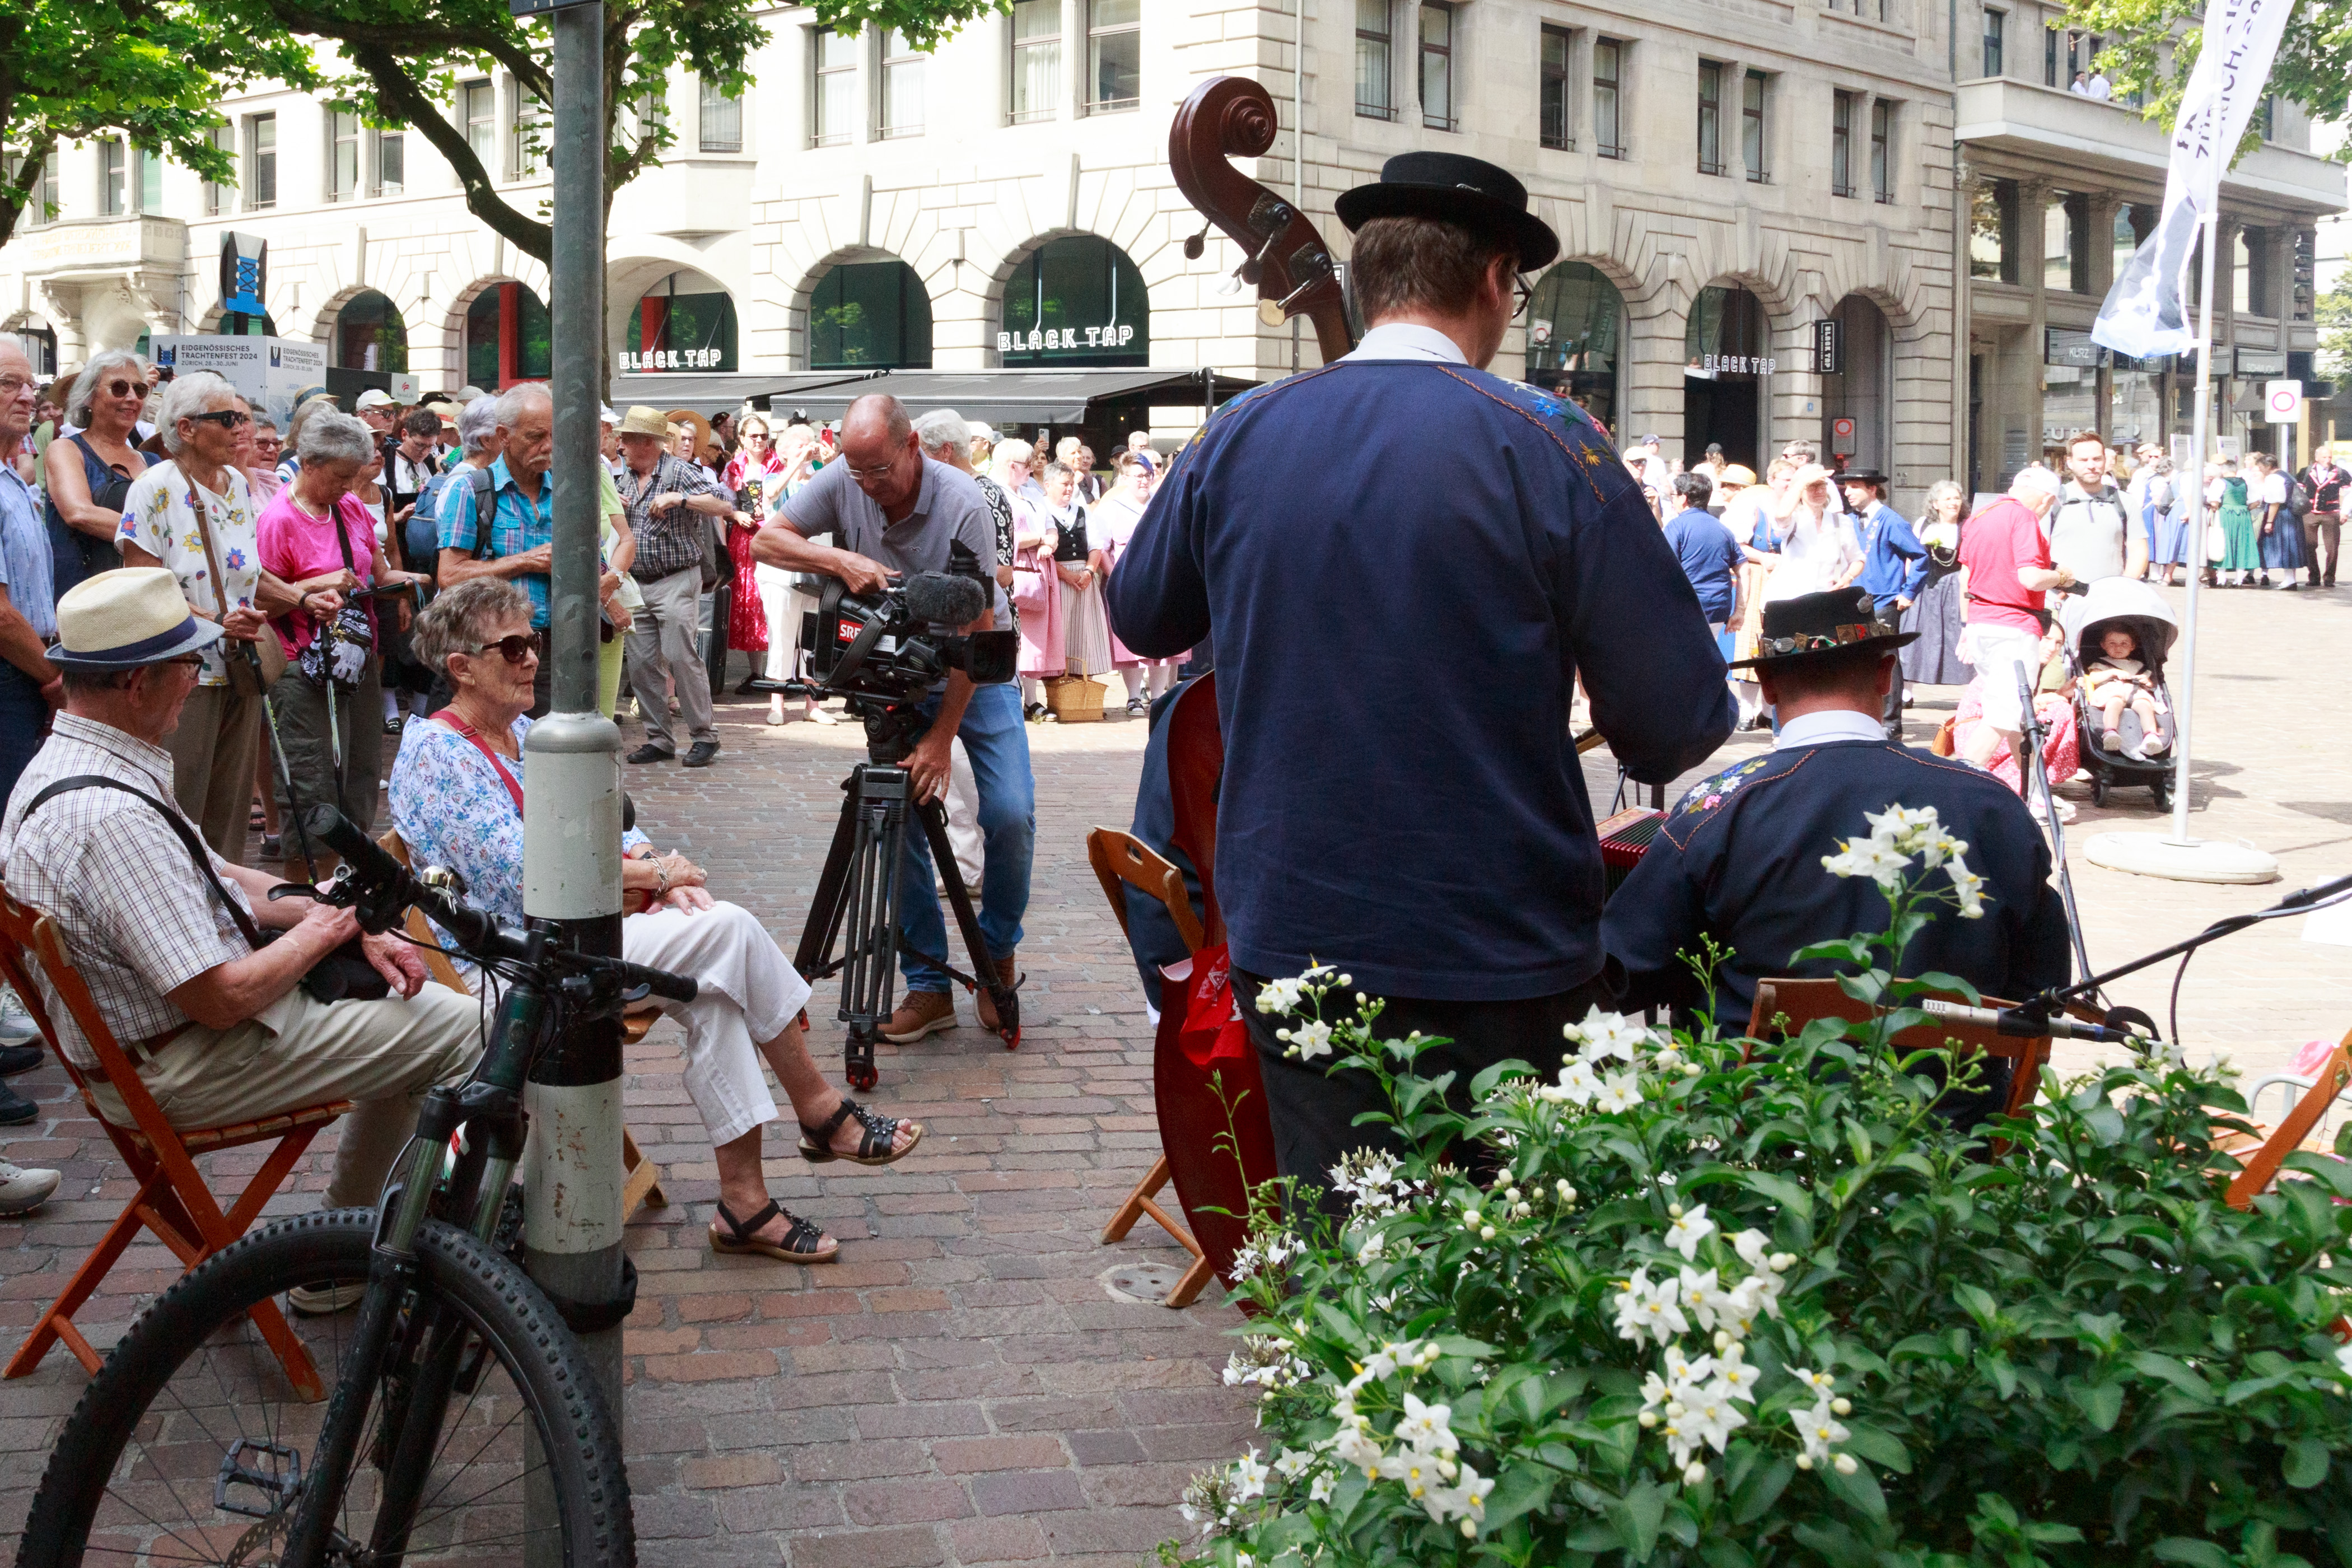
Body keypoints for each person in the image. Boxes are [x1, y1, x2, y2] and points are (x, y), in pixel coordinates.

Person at [1104, 150, 1734, 1205]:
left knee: (1345, 1266)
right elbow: (1674, 722)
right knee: (1515, 1256)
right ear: (1495, 280)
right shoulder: (1551, 442)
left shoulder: (1240, 434)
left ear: (1363, 279)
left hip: (1296, 927)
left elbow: (1141, 614)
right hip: (1500, 935)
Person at [389, 580, 918, 1263]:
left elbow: (603, 817)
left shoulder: (520, 732)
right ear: (460, 667)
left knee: (718, 986)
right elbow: (526, 876)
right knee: (726, 933)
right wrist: (655, 879)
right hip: (515, 964)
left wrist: (648, 862)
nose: (531, 659)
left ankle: (745, 1204)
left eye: (535, 641)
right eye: (514, 646)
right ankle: (820, 1111)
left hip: (572, 939)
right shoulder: (439, 753)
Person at [0, 567, 484, 1299]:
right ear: (138, 682)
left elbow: (218, 870)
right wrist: (331, 930)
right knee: (466, 1026)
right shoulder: (113, 820)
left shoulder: (74, 762)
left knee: (415, 1005)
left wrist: (331, 911)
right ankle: (366, 1255)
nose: (199, 679)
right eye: (189, 665)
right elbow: (221, 1000)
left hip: (149, 1045)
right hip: (180, 1064)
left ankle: (348, 1250)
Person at [1603, 586, 2069, 1123]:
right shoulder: (1991, 803)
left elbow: (1626, 968)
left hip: (1759, 1143)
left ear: (1770, 687)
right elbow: (2040, 994)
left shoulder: (1719, 807)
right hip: (1952, 1141)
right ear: (1885, 675)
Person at [755, 393, 1035, 1041]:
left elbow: (978, 623)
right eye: (857, 472)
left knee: (1009, 814)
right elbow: (770, 537)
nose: (868, 485)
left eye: (880, 469)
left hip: (974, 665)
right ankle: (928, 986)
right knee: (895, 818)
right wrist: (838, 558)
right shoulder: (848, 474)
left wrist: (941, 739)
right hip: (892, 675)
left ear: (912, 447)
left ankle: (997, 951)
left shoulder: (961, 499)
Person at [118, 372, 316, 864]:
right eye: (228, 419)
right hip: (180, 669)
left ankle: (227, 913)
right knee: (181, 799)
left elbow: (243, 573)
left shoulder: (235, 487)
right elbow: (142, 584)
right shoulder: (153, 489)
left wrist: (301, 598)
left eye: (243, 418)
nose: (242, 430)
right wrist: (214, 621)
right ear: (186, 429)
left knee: (229, 807)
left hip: (239, 665)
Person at [257, 409, 422, 858]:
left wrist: (412, 585)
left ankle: (354, 875)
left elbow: (378, 571)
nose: (348, 487)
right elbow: (260, 599)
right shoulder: (279, 520)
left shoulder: (347, 505)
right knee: (313, 783)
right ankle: (313, 891)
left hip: (355, 656)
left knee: (362, 774)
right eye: (339, 476)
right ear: (309, 465)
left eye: (353, 476)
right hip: (302, 664)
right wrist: (315, 586)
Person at [0, 340, 63, 1144]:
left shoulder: (16, 471)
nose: (25, 395)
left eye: (27, 381)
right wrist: (50, 678)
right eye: (7, 383)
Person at [613, 405, 734, 767]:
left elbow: (723, 505)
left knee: (681, 656)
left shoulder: (679, 470)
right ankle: (659, 739)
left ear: (647, 443)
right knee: (642, 665)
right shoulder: (623, 478)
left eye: (628, 439)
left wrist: (681, 499)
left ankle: (705, 737)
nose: (621, 445)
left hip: (677, 578)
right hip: (637, 583)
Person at [436, 384, 557, 717]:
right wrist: (526, 562)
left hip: (557, 647)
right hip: (494, 651)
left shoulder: (567, 491)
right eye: (535, 436)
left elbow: (598, 564)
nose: (547, 446)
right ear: (503, 435)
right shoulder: (471, 489)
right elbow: (449, 574)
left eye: (553, 435)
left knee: (551, 751)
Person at [1955, 465, 2070, 785]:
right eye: (2050, 504)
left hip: (1981, 621)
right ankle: (1952, 785)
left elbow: (1965, 577)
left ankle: (2033, 791)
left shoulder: (1979, 516)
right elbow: (2031, 578)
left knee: (2018, 715)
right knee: (2003, 714)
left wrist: (1966, 624)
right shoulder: (2024, 518)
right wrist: (2062, 578)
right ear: (2047, 498)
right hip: (2014, 624)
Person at [45, 349, 149, 599]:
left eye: (140, 389)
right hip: (85, 599)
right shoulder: (66, 449)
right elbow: (79, 513)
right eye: (119, 388)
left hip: (142, 599)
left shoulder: (152, 461)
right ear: (89, 397)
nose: (132, 397)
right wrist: (158, 538)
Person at [1838, 468, 1925, 740]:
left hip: (1884, 600)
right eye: (1846, 487)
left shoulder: (1891, 521)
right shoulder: (1846, 521)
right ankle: (1861, 716)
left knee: (1886, 658)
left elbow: (1920, 557)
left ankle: (1890, 721)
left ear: (1872, 489)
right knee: (1853, 659)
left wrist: (1909, 591)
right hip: (1851, 600)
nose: (1848, 492)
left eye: (1855, 486)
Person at [1090, 449, 1169, 715]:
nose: (1144, 481)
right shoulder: (1111, 507)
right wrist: (1116, 576)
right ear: (1124, 478)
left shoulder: (1161, 504)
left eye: (1148, 475)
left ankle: (1158, 696)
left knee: (1162, 636)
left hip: (1158, 580)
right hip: (1125, 581)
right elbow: (1101, 547)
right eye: (1137, 476)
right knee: (1128, 640)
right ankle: (1134, 696)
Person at [721, 413, 785, 687]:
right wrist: (735, 515)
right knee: (750, 600)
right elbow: (722, 503)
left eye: (763, 435)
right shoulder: (733, 469)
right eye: (753, 436)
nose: (759, 440)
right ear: (742, 439)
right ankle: (757, 671)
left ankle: (781, 671)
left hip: (774, 538)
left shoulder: (780, 464)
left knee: (776, 599)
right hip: (745, 539)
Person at [1900, 480, 1973, 688]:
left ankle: (1966, 688)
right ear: (1935, 504)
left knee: (1954, 634)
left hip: (1954, 587)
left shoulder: (1967, 526)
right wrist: (1909, 587)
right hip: (1925, 586)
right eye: (1948, 499)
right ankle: (1907, 690)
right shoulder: (1923, 524)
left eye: (1957, 498)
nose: (1954, 503)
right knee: (1915, 636)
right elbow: (1911, 557)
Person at [1660, 471, 1741, 657]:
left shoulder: (1676, 526)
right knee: (1703, 659)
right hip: (1718, 609)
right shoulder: (1723, 530)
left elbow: (1665, 569)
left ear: (1684, 498)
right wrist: (1740, 611)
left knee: (1681, 662)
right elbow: (1744, 569)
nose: (1673, 500)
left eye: (1674, 495)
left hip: (1687, 609)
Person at [2048, 430, 2144, 586]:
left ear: (2105, 460)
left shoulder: (2125, 502)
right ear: (2070, 462)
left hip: (2108, 600)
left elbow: (2138, 551)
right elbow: (2037, 554)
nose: (2091, 466)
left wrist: (2125, 587)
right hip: (2060, 598)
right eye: (2083, 460)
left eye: (2097, 459)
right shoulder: (2052, 501)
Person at [2082, 626, 2168, 755]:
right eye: (2112, 643)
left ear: (2133, 646)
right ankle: (2110, 732)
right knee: (2114, 702)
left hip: (2135, 692)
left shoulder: (2139, 665)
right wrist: (2113, 672)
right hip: (2112, 692)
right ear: (2103, 645)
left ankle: (2150, 735)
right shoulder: (2101, 664)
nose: (2118, 648)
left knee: (2145, 706)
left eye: (2124, 644)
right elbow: (2094, 679)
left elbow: (2150, 686)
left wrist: (2147, 682)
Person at [2251, 451, 2302, 590]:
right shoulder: (2286, 475)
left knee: (2285, 547)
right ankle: (2290, 579)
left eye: (2261, 467)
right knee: (2289, 547)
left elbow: (2275, 502)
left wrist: (2269, 522)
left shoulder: (2273, 478)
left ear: (2268, 466)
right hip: (2290, 515)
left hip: (2281, 516)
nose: (2260, 470)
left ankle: (2290, 580)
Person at [2303, 444, 2346, 589]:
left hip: (2331, 514)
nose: (2327, 460)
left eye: (2329, 457)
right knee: (2309, 546)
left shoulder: (2340, 472)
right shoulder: (2306, 471)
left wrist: (2345, 511)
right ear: (2316, 458)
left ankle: (2329, 578)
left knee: (2332, 548)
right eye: (2324, 457)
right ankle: (2313, 576)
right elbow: (2298, 491)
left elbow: (2350, 492)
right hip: (2310, 514)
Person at [2213, 459, 2258, 587]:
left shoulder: (2219, 482)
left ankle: (2221, 579)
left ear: (2223, 470)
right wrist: (2244, 508)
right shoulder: (2246, 482)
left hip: (2226, 514)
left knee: (2224, 543)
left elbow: (2214, 501)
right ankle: (2239, 579)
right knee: (2242, 544)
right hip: (2243, 515)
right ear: (2235, 470)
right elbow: (2256, 502)